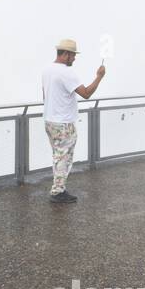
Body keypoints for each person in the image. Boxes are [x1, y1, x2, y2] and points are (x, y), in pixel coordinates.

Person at [41, 37, 105, 203]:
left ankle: (59, 188)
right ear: (66, 54)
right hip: (63, 123)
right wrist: (99, 76)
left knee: (58, 155)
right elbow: (86, 93)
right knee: (64, 157)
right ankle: (57, 192)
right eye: (73, 55)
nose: (74, 58)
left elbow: (45, 95)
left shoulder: (47, 69)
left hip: (49, 120)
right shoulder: (66, 72)